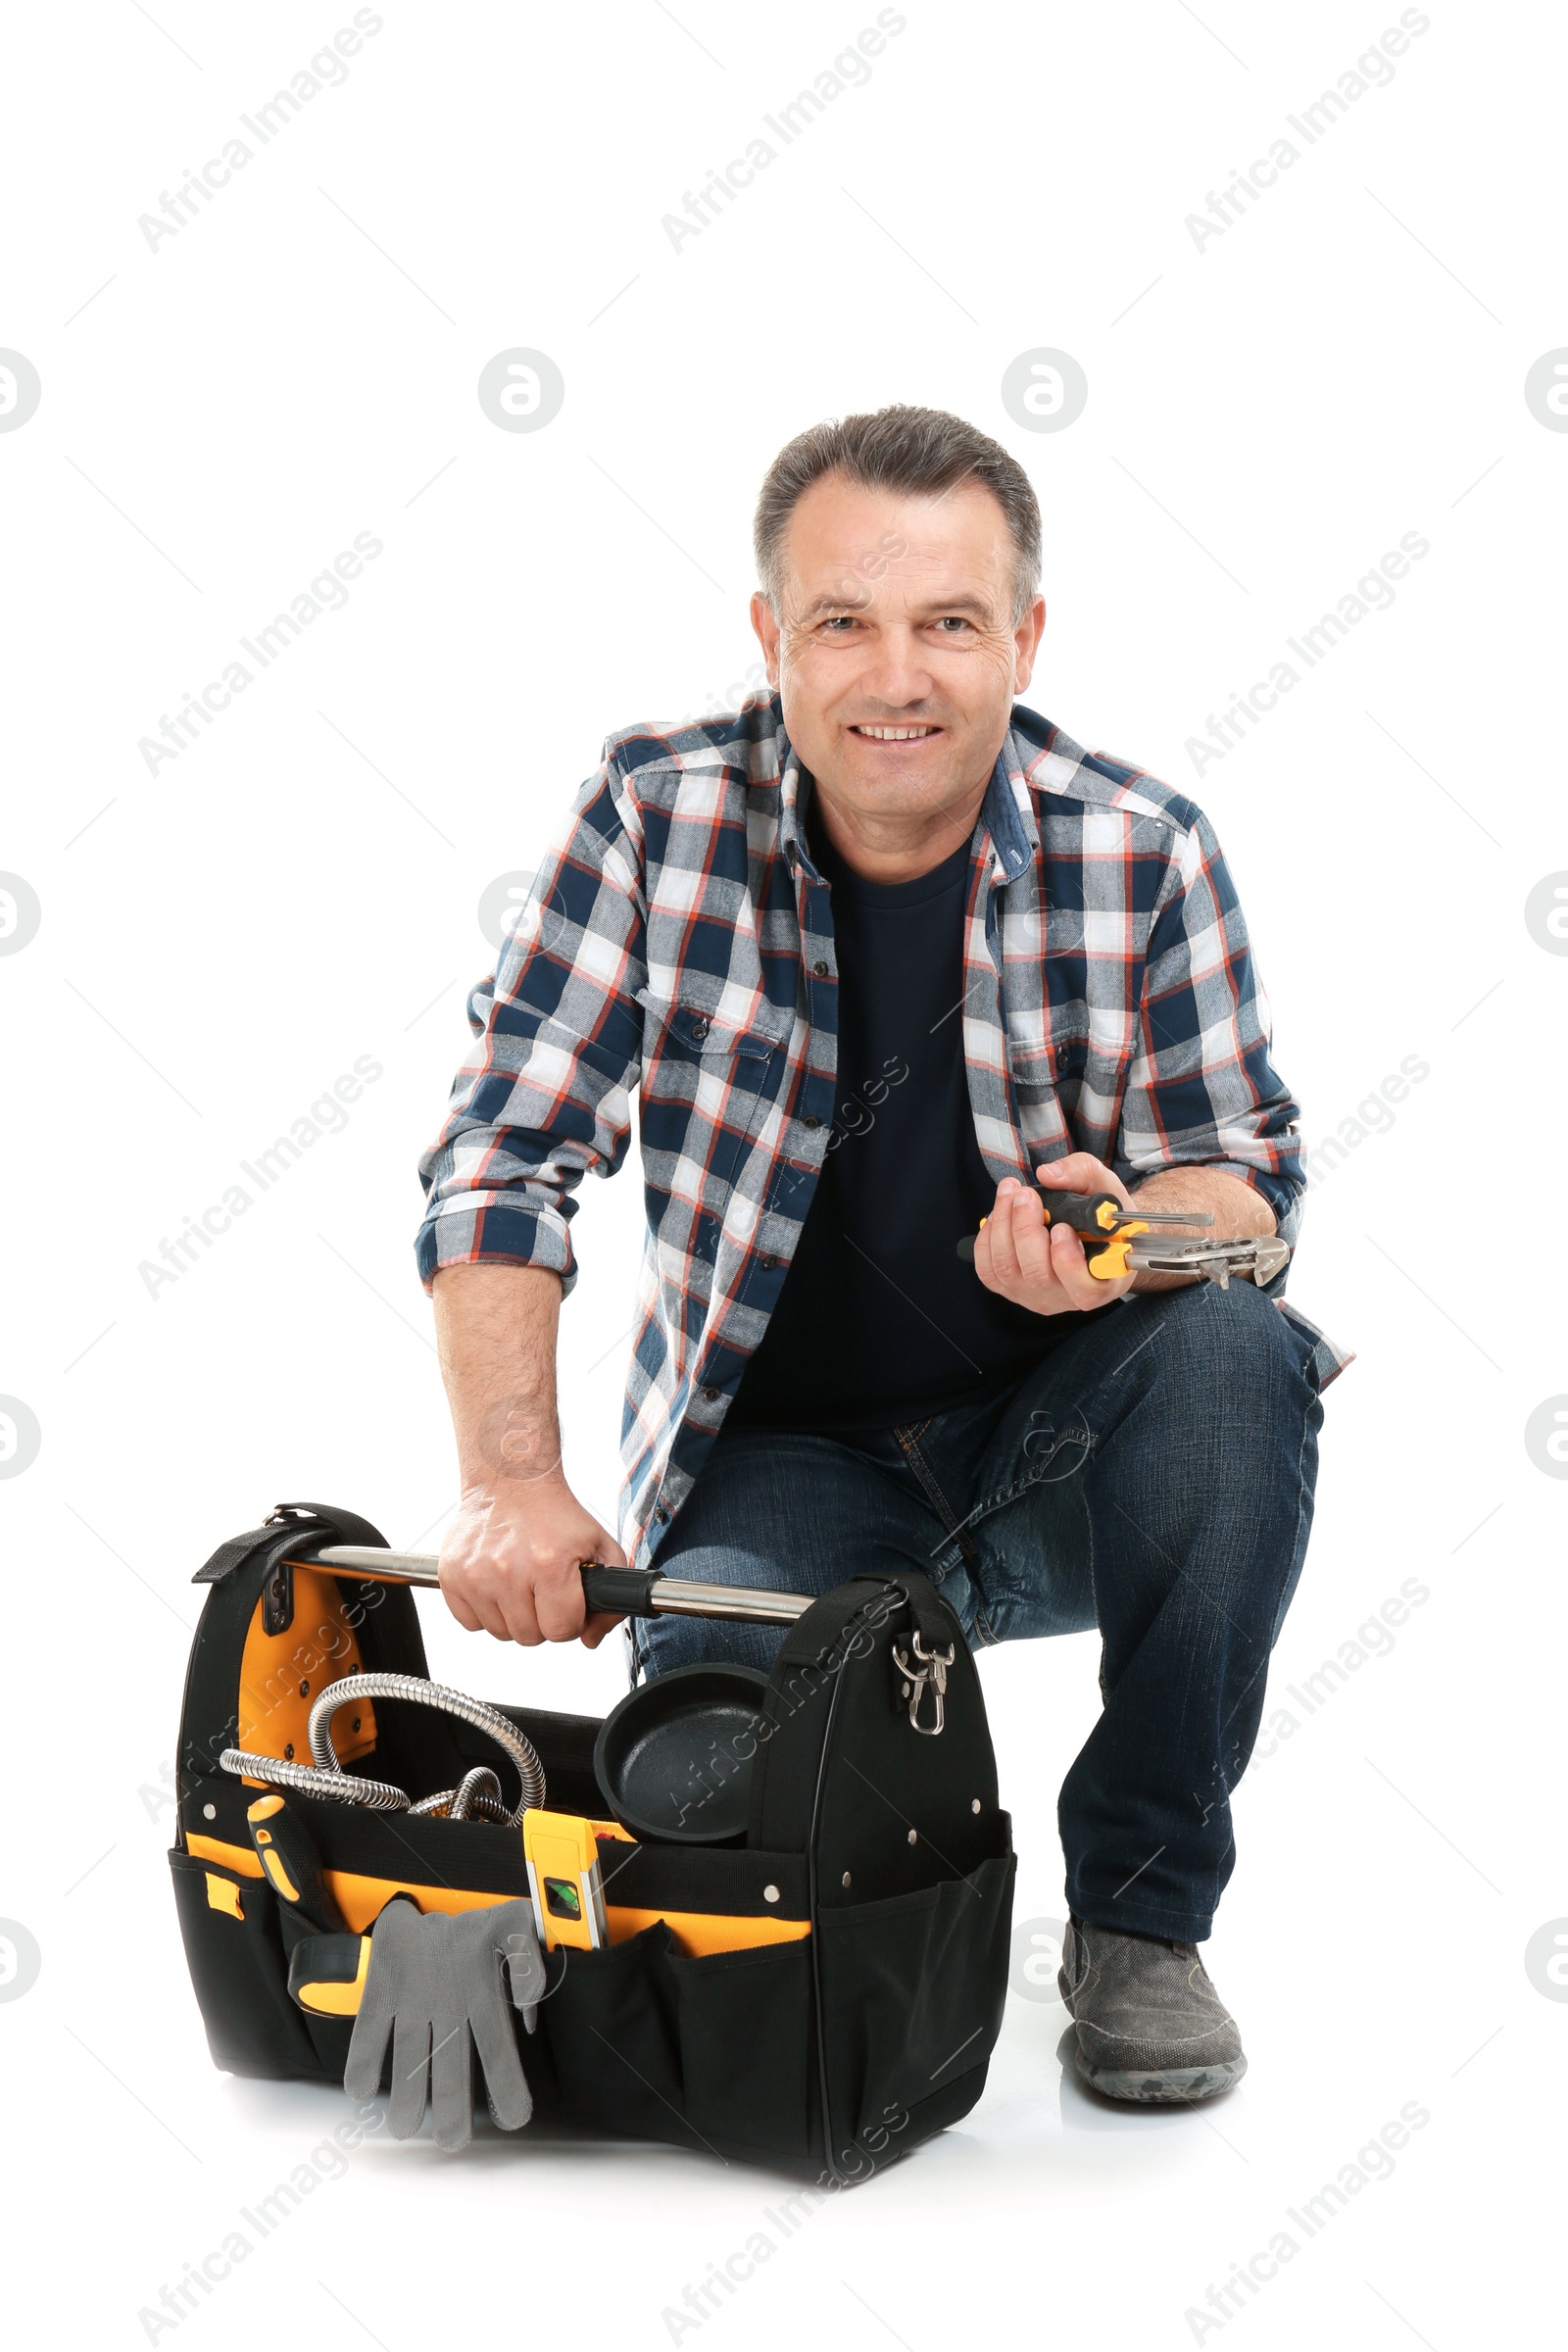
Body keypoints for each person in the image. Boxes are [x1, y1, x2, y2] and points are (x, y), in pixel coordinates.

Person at [416, 404, 1346, 2104]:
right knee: (699, 1817)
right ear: (772, 638)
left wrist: (1131, 1238)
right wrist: (509, 1482)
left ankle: (1140, 1921)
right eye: (843, 621)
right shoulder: (651, 814)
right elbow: (504, 1153)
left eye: (949, 623)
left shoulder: (1144, 848)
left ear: (1026, 638)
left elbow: (1254, 1191)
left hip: (1054, 1460)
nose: (895, 676)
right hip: (780, 1473)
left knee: (1240, 1355)